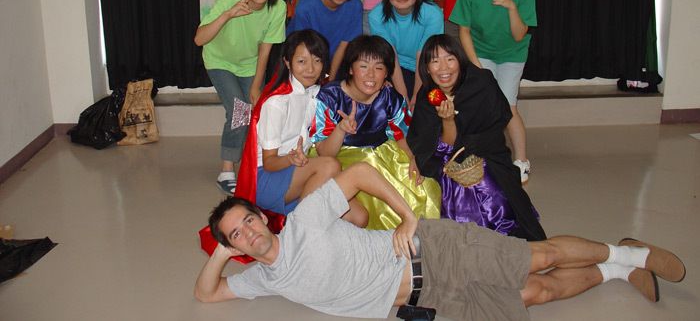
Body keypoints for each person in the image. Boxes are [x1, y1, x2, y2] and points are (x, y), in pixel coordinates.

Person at [195, 163, 686, 320]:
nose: (250, 232)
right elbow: (207, 294)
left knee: (538, 258)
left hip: (433, 249)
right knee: (537, 293)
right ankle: (618, 271)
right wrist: (221, 251)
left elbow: (360, 172)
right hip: (430, 297)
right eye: (237, 235)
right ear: (236, 247)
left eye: (249, 220)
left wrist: (409, 217)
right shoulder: (264, 279)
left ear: (262, 216)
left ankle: (632, 252)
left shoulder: (303, 220)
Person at [407, 34, 545, 241]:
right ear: (426, 68)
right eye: (435, 61)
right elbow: (428, 142)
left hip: (486, 155)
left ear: (460, 61)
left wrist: (465, 139)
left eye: (450, 59)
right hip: (446, 161)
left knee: (492, 190)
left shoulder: (481, 83)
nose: (444, 68)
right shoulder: (428, 96)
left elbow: (494, 128)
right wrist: (447, 122)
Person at [233, 29, 367, 228]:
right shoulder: (277, 102)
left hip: (298, 171)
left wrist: (341, 127)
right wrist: (290, 159)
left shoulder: (317, 93)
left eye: (317, 61)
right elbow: (269, 163)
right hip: (266, 179)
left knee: (359, 217)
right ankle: (299, 231)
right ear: (287, 62)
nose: (310, 69)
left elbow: (350, 90)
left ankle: (306, 221)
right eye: (302, 61)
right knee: (329, 166)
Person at [309, 35, 441, 229]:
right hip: (341, 158)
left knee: (423, 186)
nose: (371, 75)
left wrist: (413, 158)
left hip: (382, 154)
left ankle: (417, 236)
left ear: (387, 73)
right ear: (351, 69)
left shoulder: (390, 98)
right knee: (375, 188)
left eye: (379, 68)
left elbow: (400, 136)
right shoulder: (330, 97)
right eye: (363, 66)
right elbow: (324, 153)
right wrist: (341, 129)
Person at [194, 0, 286, 195]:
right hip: (219, 61)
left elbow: (265, 50)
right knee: (240, 110)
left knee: (255, 110)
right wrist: (228, 14)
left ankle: (254, 163)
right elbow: (199, 39)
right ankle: (226, 171)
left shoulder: (278, 7)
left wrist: (256, 85)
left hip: (250, 66)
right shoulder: (229, 1)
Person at [449, 0, 536, 183]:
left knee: (507, 105)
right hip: (481, 52)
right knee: (482, 105)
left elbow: (519, 35)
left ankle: (521, 161)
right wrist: (476, 65)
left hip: (512, 54)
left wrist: (511, 7)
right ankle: (476, 158)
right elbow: (463, 31)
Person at [368, 0, 443, 109]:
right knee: (390, 102)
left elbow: (424, 54)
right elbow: (390, 54)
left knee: (427, 102)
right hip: (395, 67)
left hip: (427, 66)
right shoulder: (376, 16)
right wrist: (403, 97)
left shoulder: (433, 13)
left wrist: (416, 96)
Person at [286, 0, 363, 80]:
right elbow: (302, 48)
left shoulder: (354, 6)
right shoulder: (306, 6)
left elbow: (343, 46)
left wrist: (329, 80)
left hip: (334, 60)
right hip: (303, 57)